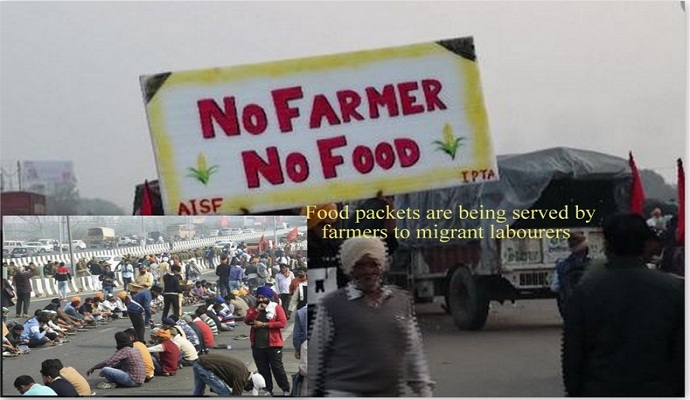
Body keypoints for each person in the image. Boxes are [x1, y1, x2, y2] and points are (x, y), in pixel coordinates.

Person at [562, 213, 684, 397]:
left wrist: (576, 393)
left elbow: (573, 355)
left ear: (607, 245)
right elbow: (681, 355)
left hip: (600, 390)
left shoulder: (586, 291)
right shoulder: (673, 290)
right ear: (644, 245)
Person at [309, 236, 434, 397]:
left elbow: (413, 352)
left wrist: (424, 391)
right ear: (349, 269)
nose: (368, 271)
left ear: (382, 266)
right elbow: (316, 357)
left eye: (373, 264)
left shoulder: (401, 301)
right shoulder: (331, 305)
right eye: (359, 266)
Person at [302, 203, 347, 330]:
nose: (329, 229)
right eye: (323, 225)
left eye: (332, 225)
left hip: (335, 321)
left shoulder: (340, 249)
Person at [244, 285, 290, 396]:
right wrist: (256, 311)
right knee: (263, 370)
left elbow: (282, 323)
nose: (260, 300)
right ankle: (268, 389)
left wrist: (264, 324)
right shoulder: (254, 309)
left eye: (263, 297)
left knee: (277, 368)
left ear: (268, 297)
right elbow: (247, 321)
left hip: (273, 345)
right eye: (259, 297)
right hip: (257, 346)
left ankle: (285, 389)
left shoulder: (276, 308)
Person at [550, 232, 591, 317]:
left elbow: (554, 288)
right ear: (586, 249)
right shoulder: (594, 265)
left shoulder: (561, 266)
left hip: (569, 310)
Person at [192, 353, 266, 396]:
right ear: (250, 382)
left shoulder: (244, 371)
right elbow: (236, 396)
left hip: (201, 362)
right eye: (250, 388)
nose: (247, 390)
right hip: (205, 366)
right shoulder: (241, 378)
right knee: (226, 394)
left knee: (198, 391)